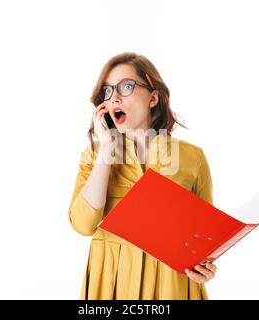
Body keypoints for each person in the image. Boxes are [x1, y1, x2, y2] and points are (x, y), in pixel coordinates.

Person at [67, 52, 217, 300]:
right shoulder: (94, 156)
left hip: (172, 287)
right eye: (107, 91)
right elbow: (83, 225)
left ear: (153, 97)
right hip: (112, 287)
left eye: (126, 86)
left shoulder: (192, 158)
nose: (114, 97)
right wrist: (106, 150)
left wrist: (205, 267)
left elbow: (205, 241)